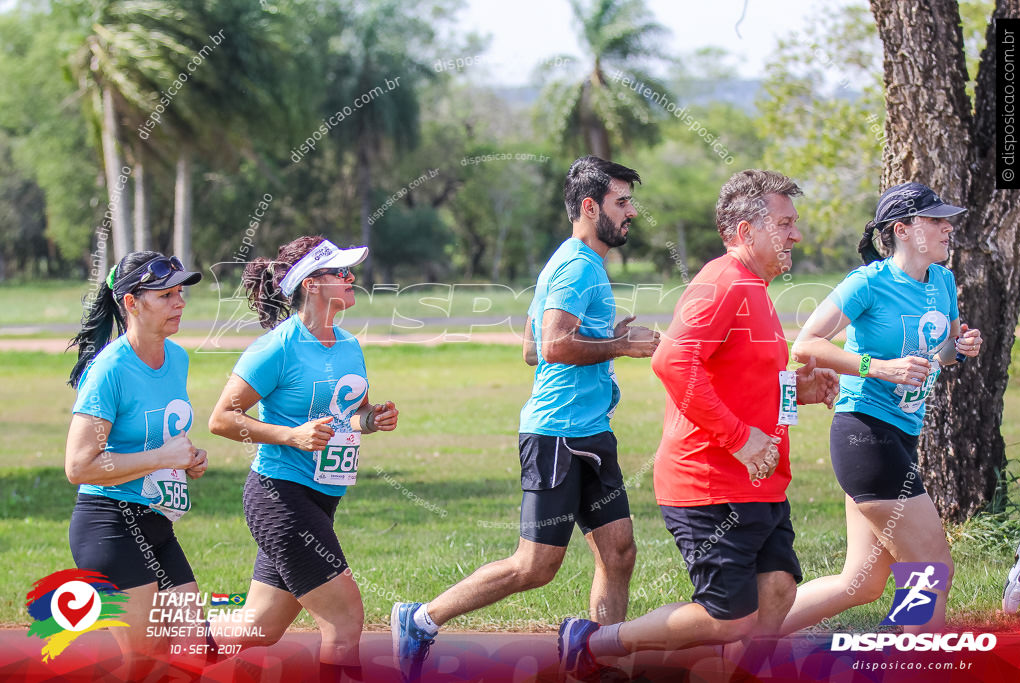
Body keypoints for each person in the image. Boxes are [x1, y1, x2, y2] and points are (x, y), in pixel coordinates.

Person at [557, 169, 839, 678]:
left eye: (794, 224)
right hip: (709, 485)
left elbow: (740, 382)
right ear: (745, 231)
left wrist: (801, 390)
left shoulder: (756, 289)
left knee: (777, 592)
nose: (795, 234)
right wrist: (739, 438)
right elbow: (672, 362)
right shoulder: (723, 282)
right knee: (727, 619)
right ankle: (594, 643)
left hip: (759, 485)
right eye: (784, 224)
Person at [392, 155, 661, 680]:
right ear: (590, 206)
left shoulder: (577, 263)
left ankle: (595, 655)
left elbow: (530, 350)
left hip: (589, 433)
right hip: (557, 435)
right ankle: (420, 620)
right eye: (622, 202)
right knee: (534, 566)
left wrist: (607, 341)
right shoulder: (576, 267)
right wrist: (620, 345)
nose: (632, 213)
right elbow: (556, 346)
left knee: (619, 551)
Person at [780, 181, 982, 635]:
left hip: (902, 436)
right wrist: (878, 367)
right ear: (903, 229)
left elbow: (943, 351)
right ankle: (913, 665)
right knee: (931, 567)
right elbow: (806, 344)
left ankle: (740, 639)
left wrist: (961, 346)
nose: (948, 228)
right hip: (865, 434)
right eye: (936, 220)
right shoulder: (868, 283)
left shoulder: (943, 280)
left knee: (861, 583)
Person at [207, 236, 398, 682]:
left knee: (259, 626)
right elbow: (221, 419)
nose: (352, 279)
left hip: (321, 499)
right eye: (340, 273)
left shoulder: (349, 344)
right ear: (311, 284)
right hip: (279, 498)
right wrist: (290, 436)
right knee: (345, 620)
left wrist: (373, 418)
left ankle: (169, 654)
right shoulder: (277, 347)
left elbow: (352, 413)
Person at [65, 251, 209, 675]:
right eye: (166, 295)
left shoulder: (176, 357)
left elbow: (155, 437)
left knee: (191, 646)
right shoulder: (109, 369)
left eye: (180, 293)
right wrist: (162, 458)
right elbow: (79, 466)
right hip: (108, 525)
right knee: (147, 661)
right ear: (131, 302)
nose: (179, 302)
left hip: (156, 525)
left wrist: (187, 459)